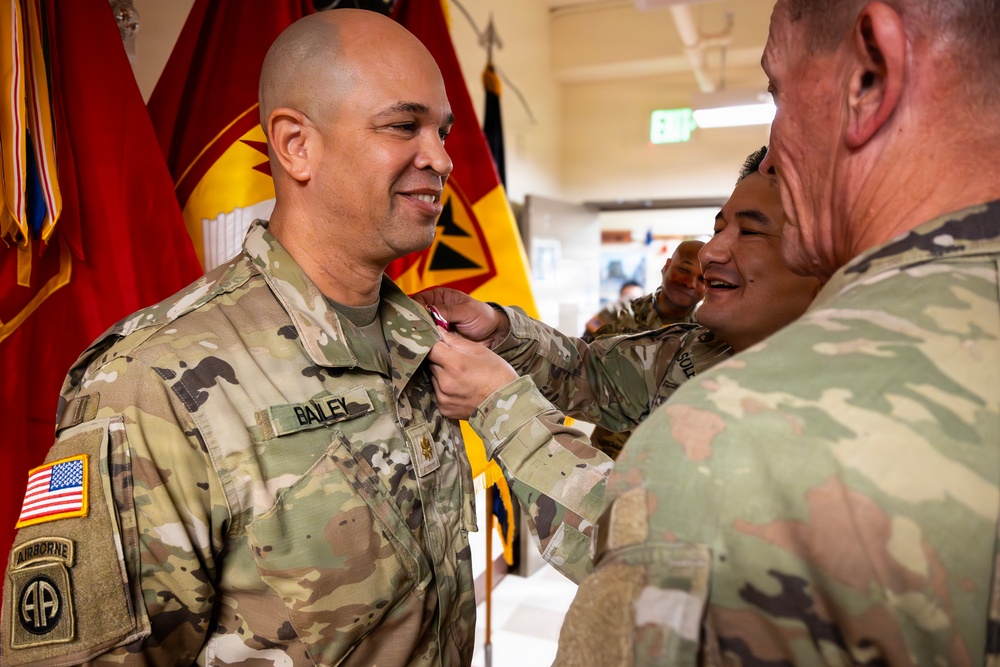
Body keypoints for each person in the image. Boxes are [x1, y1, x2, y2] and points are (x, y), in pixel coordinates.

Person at [0, 10, 607, 666]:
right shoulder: (147, 384)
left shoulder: (428, 345)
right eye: (404, 125)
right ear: (295, 146)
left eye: (443, 131)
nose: (440, 158)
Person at [550, 1, 1000, 664]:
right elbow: (596, 367)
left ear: (869, 77)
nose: (777, 150)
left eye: (777, 93)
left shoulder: (737, 438)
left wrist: (506, 413)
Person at [418, 147, 822, 576]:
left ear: (824, 256)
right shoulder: (703, 348)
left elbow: (650, 560)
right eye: (719, 228)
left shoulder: (834, 408)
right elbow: (590, 373)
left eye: (752, 232)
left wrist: (501, 404)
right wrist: (499, 329)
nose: (710, 254)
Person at [582, 240, 706, 343]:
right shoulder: (615, 313)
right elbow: (580, 354)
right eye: (684, 270)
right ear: (667, 266)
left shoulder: (707, 329)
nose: (690, 283)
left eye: (702, 279)